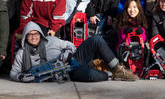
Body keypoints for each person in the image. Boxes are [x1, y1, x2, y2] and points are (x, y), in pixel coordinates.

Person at [10, 21, 138, 82]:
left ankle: (117, 69)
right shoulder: (22, 53)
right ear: (25, 37)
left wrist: (68, 53)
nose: (33, 37)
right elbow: (14, 72)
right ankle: (110, 75)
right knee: (91, 75)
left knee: (97, 39)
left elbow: (70, 45)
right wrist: (20, 77)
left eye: (36, 34)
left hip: (72, 60)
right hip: (66, 73)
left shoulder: (51, 40)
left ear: (40, 35)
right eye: (30, 35)